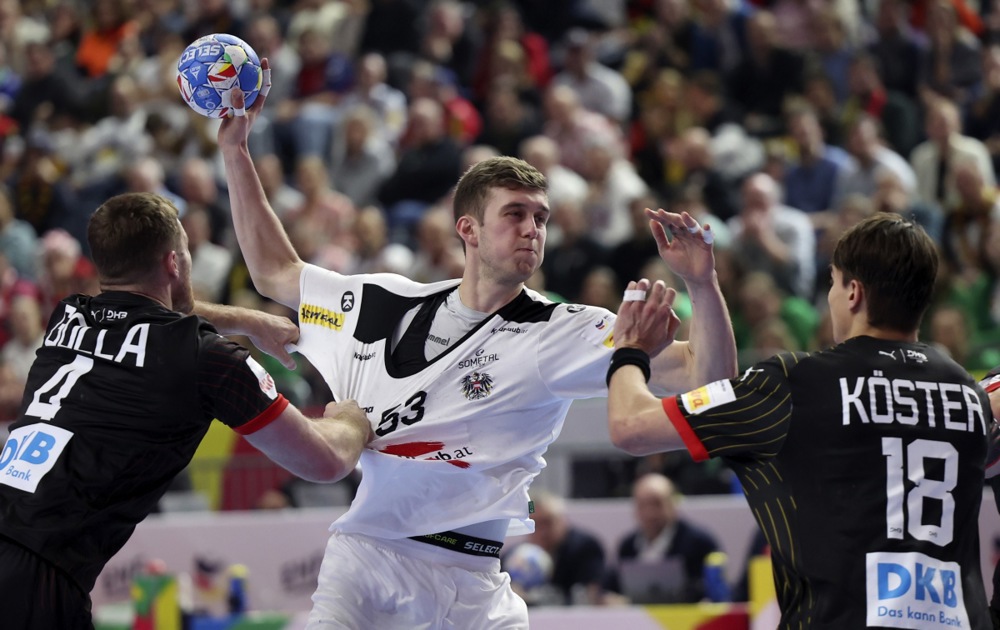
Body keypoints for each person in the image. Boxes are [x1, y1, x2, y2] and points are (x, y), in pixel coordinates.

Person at [216, 70, 737, 628]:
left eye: (541, 217)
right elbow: (275, 271)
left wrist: (702, 284)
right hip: (366, 566)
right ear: (468, 229)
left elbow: (706, 380)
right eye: (515, 214)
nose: (533, 229)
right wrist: (236, 151)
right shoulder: (384, 301)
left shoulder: (562, 329)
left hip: (476, 585)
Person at [0, 192, 374, 629]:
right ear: (174, 263)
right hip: (36, 581)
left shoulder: (68, 316)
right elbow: (324, 461)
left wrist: (251, 321)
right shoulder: (207, 359)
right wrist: (354, 417)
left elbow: (155, 312)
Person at [607, 213, 991, 628]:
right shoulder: (969, 392)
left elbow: (631, 427)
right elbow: (714, 390)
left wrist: (630, 349)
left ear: (853, 293)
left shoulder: (796, 383)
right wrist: (702, 284)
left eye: (833, 283)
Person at [605, 473, 720, 603]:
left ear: (672, 504)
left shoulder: (699, 542)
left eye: (656, 504)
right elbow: (612, 586)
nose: (649, 513)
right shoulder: (627, 545)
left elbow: (711, 589)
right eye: (642, 505)